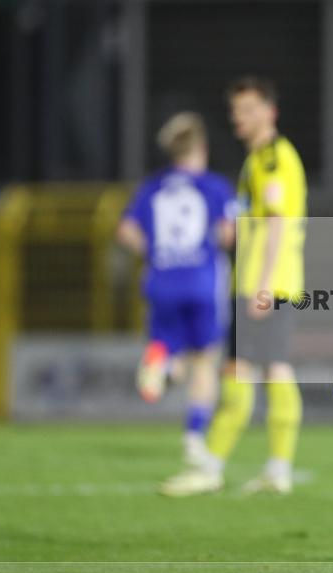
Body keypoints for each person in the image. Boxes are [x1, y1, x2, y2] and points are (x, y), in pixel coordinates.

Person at [159, 77, 308, 497]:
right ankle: (265, 468)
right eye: (235, 111)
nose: (238, 119)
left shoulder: (274, 160)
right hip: (262, 281)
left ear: (269, 112)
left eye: (247, 110)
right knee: (255, 370)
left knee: (256, 371)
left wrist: (261, 285)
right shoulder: (258, 160)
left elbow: (277, 222)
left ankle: (216, 466)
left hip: (267, 283)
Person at [117, 112, 235, 484]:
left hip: (161, 280)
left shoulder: (152, 187)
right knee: (206, 361)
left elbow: (125, 230)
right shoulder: (214, 187)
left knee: (174, 348)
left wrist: (153, 250)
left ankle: (163, 362)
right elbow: (227, 234)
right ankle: (194, 437)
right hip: (200, 282)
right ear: (200, 148)